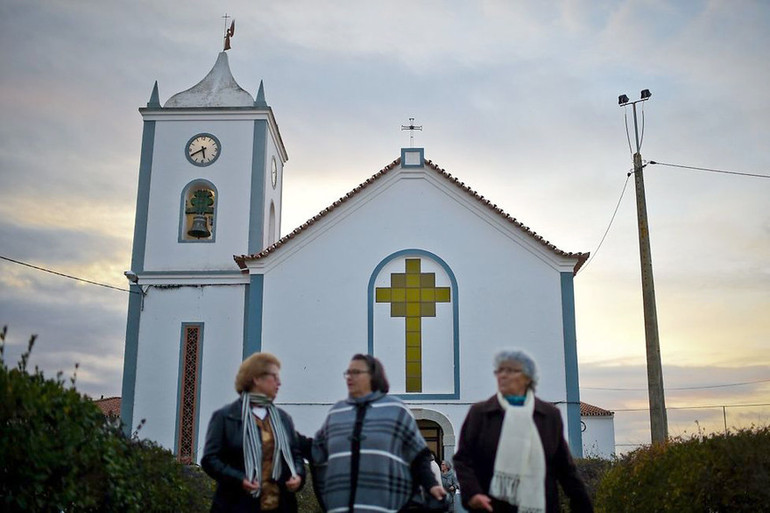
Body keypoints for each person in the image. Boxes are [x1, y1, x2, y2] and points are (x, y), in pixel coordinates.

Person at [453, 349, 593, 513]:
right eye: (500, 370)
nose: (503, 375)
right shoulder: (480, 413)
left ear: (528, 378)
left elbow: (565, 467)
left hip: (541, 506)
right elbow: (463, 459)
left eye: (511, 370)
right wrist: (472, 493)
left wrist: (581, 504)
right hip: (491, 506)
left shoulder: (549, 415)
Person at [312, 354, 447, 512]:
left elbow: (418, 455)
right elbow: (317, 454)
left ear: (373, 376)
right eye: (348, 373)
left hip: (387, 506)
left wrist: (431, 485)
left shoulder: (396, 410)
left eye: (356, 372)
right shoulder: (336, 412)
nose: (349, 377)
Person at [201, 352, 305, 513]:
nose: (279, 383)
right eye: (274, 377)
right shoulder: (226, 417)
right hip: (237, 505)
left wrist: (298, 475)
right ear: (257, 378)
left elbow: (296, 455)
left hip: (280, 505)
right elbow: (210, 459)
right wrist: (239, 479)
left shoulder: (283, 419)